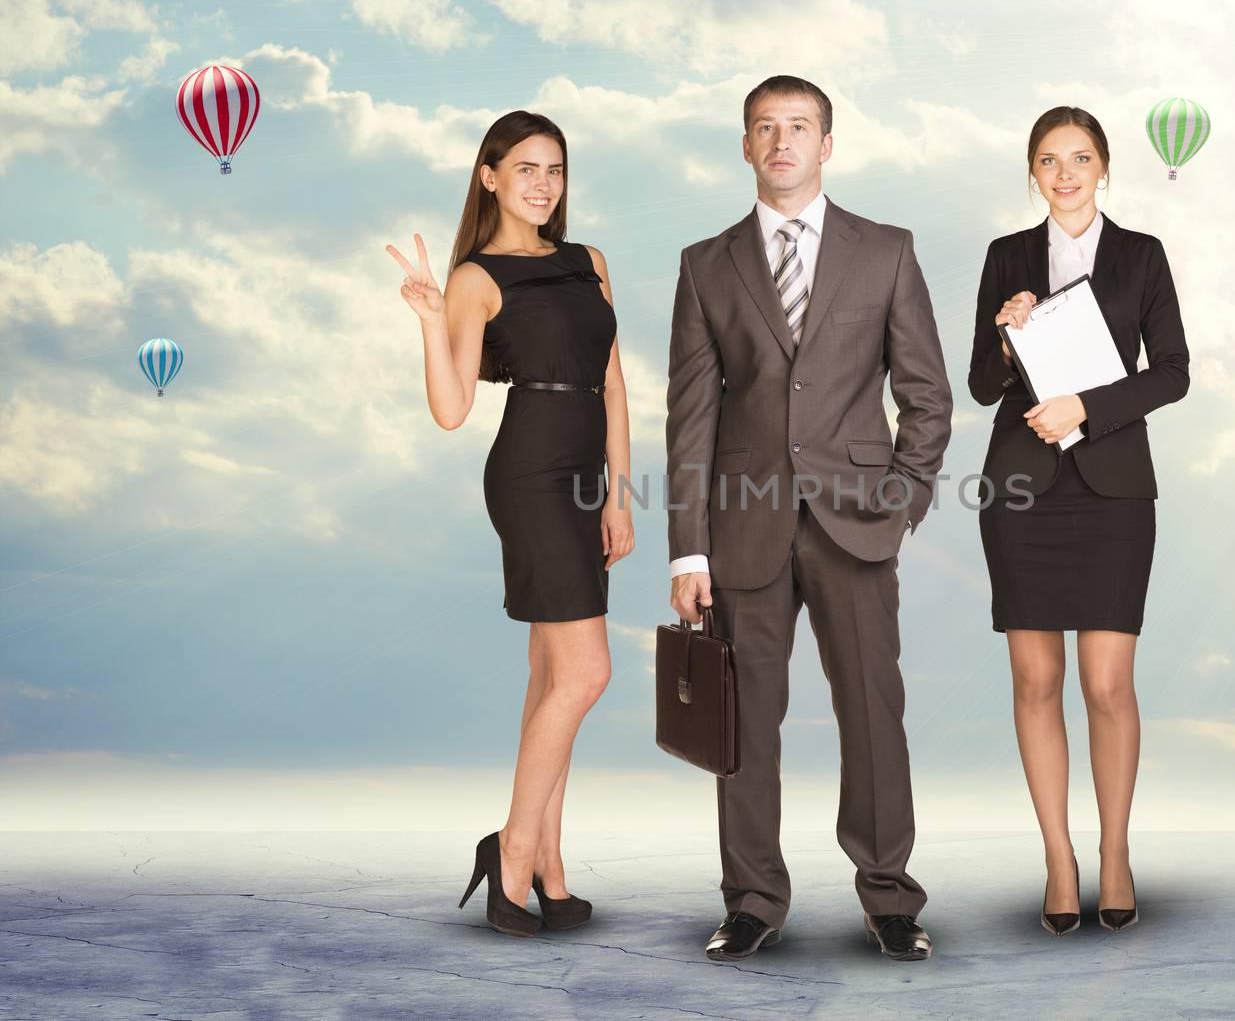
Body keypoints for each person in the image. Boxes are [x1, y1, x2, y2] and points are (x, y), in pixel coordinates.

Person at [665, 75, 953, 962]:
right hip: (741, 528)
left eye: (798, 126)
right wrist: (687, 546)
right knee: (741, 723)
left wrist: (902, 501)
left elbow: (927, 395)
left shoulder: (887, 250)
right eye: (764, 127)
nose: (781, 139)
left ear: (827, 144)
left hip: (859, 521)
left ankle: (890, 895)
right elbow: (691, 415)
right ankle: (752, 898)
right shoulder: (705, 264)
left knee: (873, 710)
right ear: (745, 146)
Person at [386, 110, 634, 937]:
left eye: (555, 169)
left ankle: (551, 870)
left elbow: (614, 384)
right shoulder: (474, 277)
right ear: (488, 175)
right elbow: (453, 409)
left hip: (587, 474)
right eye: (525, 168)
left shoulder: (587, 260)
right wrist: (429, 323)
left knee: (549, 675)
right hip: (528, 473)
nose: (543, 184)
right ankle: (514, 847)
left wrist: (622, 492)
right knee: (586, 673)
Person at [968, 105, 1189, 936]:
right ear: (1031, 172)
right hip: (1021, 489)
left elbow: (1172, 372)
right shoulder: (1006, 257)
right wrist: (1003, 333)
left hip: (1113, 488)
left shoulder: (1142, 255)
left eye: (1082, 158)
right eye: (1050, 160)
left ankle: (1116, 851)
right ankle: (1059, 857)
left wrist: (1084, 409)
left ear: (1106, 169)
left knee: (1106, 684)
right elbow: (983, 388)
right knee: (1036, 681)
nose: (1066, 173)